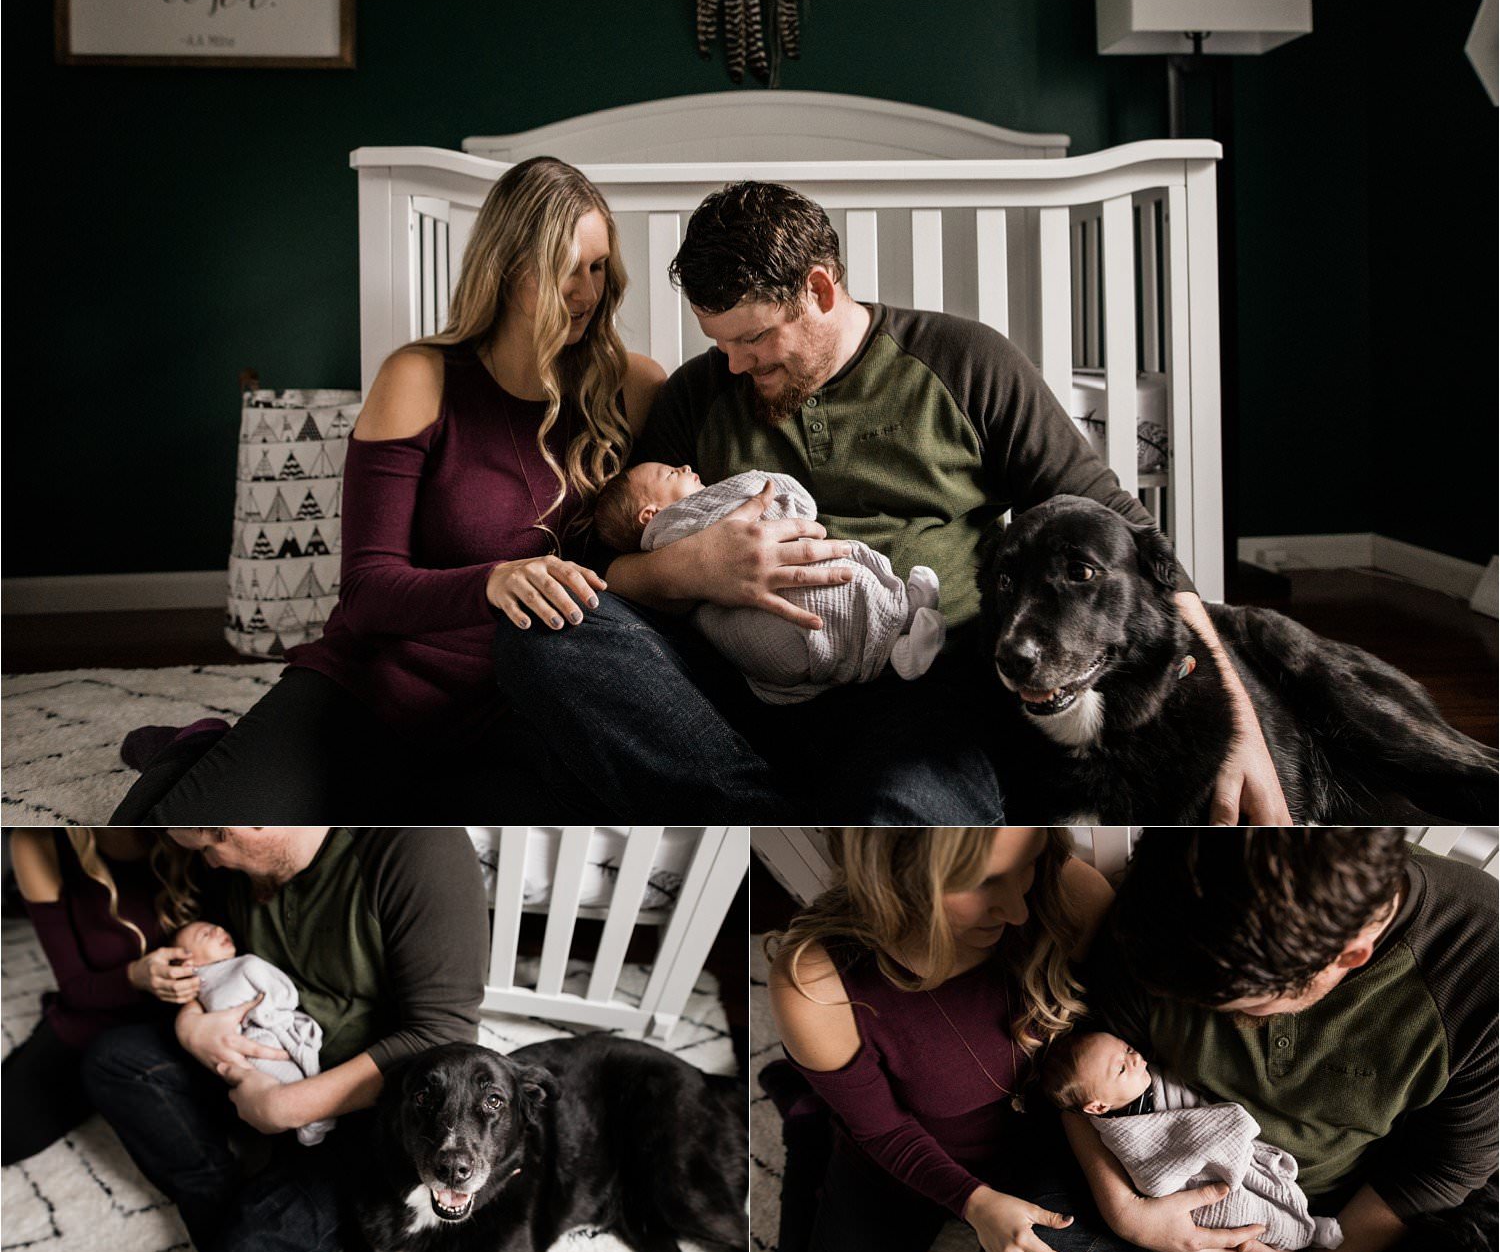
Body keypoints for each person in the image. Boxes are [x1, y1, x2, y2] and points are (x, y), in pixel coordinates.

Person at [493, 179, 1290, 824]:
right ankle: (766, 818)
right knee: (546, 634)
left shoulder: (964, 360)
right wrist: (693, 568)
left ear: (819, 288)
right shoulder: (703, 394)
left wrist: (1239, 724)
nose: (733, 365)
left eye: (755, 340)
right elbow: (605, 567)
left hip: (916, 687)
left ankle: (787, 828)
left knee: (913, 820)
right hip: (735, 689)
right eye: (718, 341)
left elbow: (1130, 533)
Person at [110, 156, 667, 826]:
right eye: (565, 266)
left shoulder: (631, 388)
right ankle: (192, 749)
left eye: (599, 267)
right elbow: (367, 590)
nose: (586, 291)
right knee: (187, 829)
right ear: (510, 266)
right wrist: (490, 581)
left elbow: (660, 534)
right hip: (375, 689)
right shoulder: (420, 377)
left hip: (516, 709)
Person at [762, 827, 1200, 1252]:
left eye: (1026, 864)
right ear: (894, 881)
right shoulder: (815, 983)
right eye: (982, 881)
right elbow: (883, 1129)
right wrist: (975, 1203)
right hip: (913, 1145)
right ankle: (806, 1114)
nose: (1016, 909)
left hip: (1053, 1137)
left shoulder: (1064, 893)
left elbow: (1115, 1047)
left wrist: (1122, 1203)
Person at [1059, 828, 1497, 1252]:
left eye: (1239, 1008)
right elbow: (1083, 1070)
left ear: (1349, 957)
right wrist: (1125, 1209)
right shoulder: (1182, 875)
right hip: (1150, 1149)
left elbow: (1443, 1169)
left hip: (1322, 1217)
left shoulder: (1481, 966)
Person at [81, 827, 488, 1252]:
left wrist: (284, 1106)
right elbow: (207, 963)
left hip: (360, 1103)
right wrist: (192, 1027)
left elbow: (443, 1034)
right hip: (257, 1052)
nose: (207, 863)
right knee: (114, 1061)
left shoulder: (416, 845)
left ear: (249, 822)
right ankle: (237, 1214)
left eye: (211, 845)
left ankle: (267, 1242)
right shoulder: (240, 865)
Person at [592, 462, 945, 701]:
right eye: (670, 473)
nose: (684, 466)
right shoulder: (680, 521)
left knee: (832, 586)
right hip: (767, 616)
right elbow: (786, 499)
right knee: (838, 588)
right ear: (651, 515)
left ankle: (903, 622)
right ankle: (896, 645)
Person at [1038, 1029, 1343, 1252]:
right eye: (1120, 1068)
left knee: (1269, 1181)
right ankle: (1305, 1233)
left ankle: (1304, 1218)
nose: (1133, 1060)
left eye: (1128, 1049)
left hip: (1225, 1153)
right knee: (1248, 1211)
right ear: (1098, 1107)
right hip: (1194, 1188)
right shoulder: (1122, 1131)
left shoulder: (1157, 1076)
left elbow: (1192, 1098)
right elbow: (1153, 1180)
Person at [2, 828, 199, 1166]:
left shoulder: (191, 825)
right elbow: (75, 987)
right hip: (94, 1017)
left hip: (189, 1019)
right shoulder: (37, 839)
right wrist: (136, 976)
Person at [172, 919, 334, 1146]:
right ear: (189, 962)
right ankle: (311, 1120)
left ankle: (315, 1119)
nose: (219, 929)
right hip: (242, 1043)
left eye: (216, 926)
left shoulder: (245, 965)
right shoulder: (200, 986)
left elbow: (284, 993)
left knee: (292, 1078)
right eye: (206, 935)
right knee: (262, 1079)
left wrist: (265, 1011)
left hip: (270, 1029)